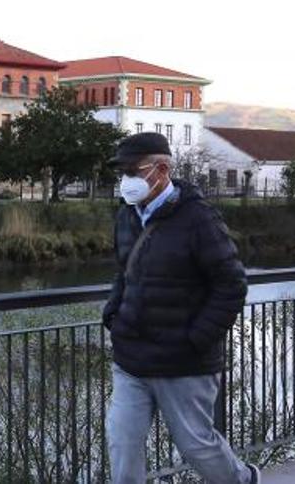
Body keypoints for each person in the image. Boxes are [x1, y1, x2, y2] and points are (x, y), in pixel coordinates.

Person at [101, 132, 258, 484]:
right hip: (132, 358)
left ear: (162, 169)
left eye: (132, 170)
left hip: (182, 361)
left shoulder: (199, 219)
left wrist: (196, 338)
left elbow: (231, 284)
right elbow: (124, 271)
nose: (126, 180)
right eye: (122, 172)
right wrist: (114, 311)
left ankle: (243, 480)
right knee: (122, 442)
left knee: (196, 446)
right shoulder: (126, 216)